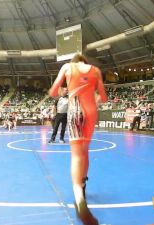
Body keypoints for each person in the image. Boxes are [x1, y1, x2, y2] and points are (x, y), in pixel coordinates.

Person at [49, 54, 107, 225]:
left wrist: (64, 90)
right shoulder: (95, 70)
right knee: (85, 150)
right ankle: (83, 182)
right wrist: (95, 97)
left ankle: (79, 197)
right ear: (85, 62)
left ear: (74, 62)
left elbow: (53, 91)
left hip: (75, 111)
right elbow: (103, 97)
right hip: (90, 112)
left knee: (76, 155)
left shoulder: (67, 67)